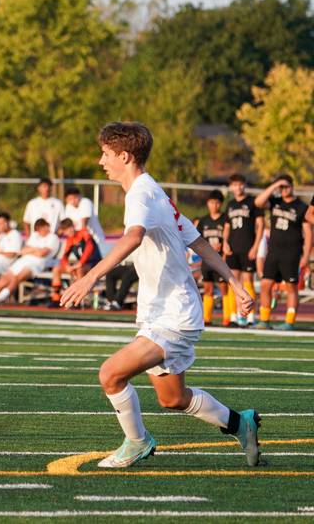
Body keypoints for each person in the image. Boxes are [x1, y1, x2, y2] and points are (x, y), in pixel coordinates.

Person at [61, 121, 259, 469]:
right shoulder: (154, 192)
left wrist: (90, 276)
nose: (100, 161)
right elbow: (198, 241)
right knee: (173, 398)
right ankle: (239, 423)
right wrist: (235, 282)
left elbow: (133, 236)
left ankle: (137, 442)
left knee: (110, 374)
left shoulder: (141, 193)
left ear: (124, 155)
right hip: (163, 312)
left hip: (174, 314)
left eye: (106, 154)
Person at [253, 175, 312, 330]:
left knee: (291, 287)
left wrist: (305, 256)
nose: (284, 190)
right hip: (274, 253)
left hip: (292, 254)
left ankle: (290, 321)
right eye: (282, 187)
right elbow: (258, 202)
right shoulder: (275, 202)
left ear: (292, 187)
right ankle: (265, 320)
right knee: (266, 284)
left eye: (286, 187)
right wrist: (275, 185)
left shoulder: (301, 206)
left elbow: (309, 233)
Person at [0, 218, 60, 307]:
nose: (40, 232)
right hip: (23, 260)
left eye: (41, 229)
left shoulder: (53, 238)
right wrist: (36, 249)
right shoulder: (35, 235)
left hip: (36, 264)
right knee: (5, 278)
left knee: (17, 278)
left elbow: (42, 253)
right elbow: (23, 251)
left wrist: (32, 249)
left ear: (46, 227)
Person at [222, 174, 263, 326]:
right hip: (233, 248)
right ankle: (235, 315)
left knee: (248, 281)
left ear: (244, 185)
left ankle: (251, 316)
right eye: (234, 185)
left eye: (240, 184)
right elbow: (226, 227)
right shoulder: (231, 204)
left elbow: (261, 225)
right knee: (233, 282)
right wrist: (225, 242)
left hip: (248, 247)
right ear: (231, 187)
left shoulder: (252, 202)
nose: (237, 187)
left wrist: (256, 246)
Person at [194, 190, 229, 326]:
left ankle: (227, 317)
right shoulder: (203, 221)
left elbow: (228, 238)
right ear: (208, 204)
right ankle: (207, 318)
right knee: (208, 288)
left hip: (221, 259)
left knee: (223, 288)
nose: (214, 205)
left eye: (217, 203)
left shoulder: (225, 219)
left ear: (220, 204)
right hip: (207, 260)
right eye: (211, 202)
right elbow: (198, 240)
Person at [49, 218, 101, 307]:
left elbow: (89, 248)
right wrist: (67, 266)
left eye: (69, 228)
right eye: (65, 231)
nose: (68, 232)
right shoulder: (70, 240)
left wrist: (80, 263)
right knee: (57, 269)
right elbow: (64, 257)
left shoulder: (84, 233)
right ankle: (56, 298)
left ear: (73, 227)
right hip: (81, 265)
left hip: (94, 264)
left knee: (79, 270)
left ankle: (78, 301)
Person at [63, 186, 107, 250]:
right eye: (70, 199)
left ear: (80, 196)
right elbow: (67, 224)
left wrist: (81, 235)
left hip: (95, 240)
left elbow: (84, 222)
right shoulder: (68, 206)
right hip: (80, 240)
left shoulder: (85, 202)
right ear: (66, 199)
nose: (73, 201)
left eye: (75, 198)